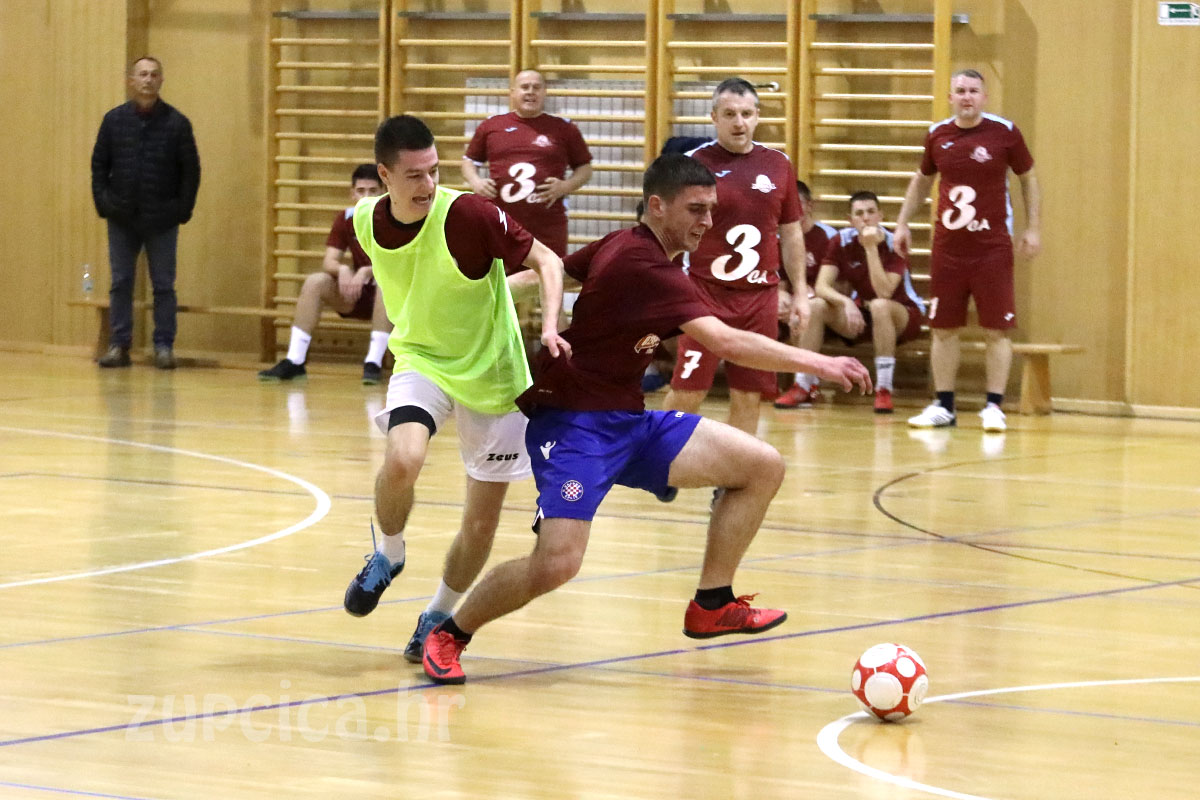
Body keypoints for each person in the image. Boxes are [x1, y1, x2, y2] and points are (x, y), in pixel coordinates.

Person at [419, 154, 871, 685]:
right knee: (558, 562)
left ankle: (712, 602)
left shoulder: (624, 244)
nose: (707, 221)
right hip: (573, 427)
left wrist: (482, 293)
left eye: (712, 209)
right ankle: (450, 633)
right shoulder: (647, 266)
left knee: (761, 466)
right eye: (696, 209)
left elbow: (555, 269)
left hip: (628, 423)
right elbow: (726, 342)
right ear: (657, 206)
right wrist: (823, 363)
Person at [340, 115, 568, 665]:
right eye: (414, 175)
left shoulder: (469, 213)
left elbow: (547, 260)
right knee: (402, 459)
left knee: (480, 522)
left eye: (434, 171)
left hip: (495, 374)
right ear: (384, 176)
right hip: (422, 358)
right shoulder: (366, 221)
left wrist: (549, 326)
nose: (427, 184)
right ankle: (389, 553)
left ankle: (438, 614)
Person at [662, 77, 810, 436]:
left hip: (759, 299)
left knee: (748, 395)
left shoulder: (778, 164)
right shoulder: (694, 164)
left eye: (746, 113)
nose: (738, 122)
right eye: (729, 114)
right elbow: (666, 229)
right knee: (688, 390)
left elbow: (791, 233)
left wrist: (800, 293)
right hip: (704, 295)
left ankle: (734, 468)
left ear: (757, 116)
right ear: (714, 117)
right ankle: (655, 456)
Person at [894, 69, 1041, 432]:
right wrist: (902, 222)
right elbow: (922, 181)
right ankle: (944, 405)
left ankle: (993, 406)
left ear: (984, 96)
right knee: (943, 329)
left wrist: (1033, 228)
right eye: (960, 90)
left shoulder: (1005, 132)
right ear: (950, 97)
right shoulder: (938, 135)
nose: (967, 97)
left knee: (996, 330)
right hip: (948, 250)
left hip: (992, 249)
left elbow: (1028, 179)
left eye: (973, 90)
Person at [90, 56, 200, 370]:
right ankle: (118, 345)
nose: (148, 80)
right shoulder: (113, 121)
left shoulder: (177, 123)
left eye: (153, 74)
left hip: (162, 219)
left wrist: (181, 211)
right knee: (121, 282)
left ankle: (164, 346)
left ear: (161, 80)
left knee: (163, 285)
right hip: (121, 217)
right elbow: (99, 166)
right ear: (131, 81)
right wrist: (104, 204)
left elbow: (191, 172)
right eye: (142, 74)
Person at [258, 164, 393, 384]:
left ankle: (373, 362)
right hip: (357, 293)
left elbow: (400, 265)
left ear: (383, 192)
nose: (366, 197)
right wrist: (343, 269)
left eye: (372, 191)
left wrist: (366, 272)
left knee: (386, 284)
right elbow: (329, 260)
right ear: (352, 194)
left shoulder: (396, 219)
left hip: (394, 301)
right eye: (361, 191)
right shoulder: (346, 219)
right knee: (316, 282)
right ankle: (295, 360)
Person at [805, 191, 927, 414]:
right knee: (815, 305)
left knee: (880, 306)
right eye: (859, 214)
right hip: (865, 311)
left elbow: (884, 292)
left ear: (880, 216)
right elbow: (822, 286)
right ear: (850, 220)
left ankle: (883, 389)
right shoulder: (841, 240)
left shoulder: (894, 242)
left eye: (871, 212)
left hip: (903, 313)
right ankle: (804, 385)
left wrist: (870, 248)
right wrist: (846, 302)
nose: (866, 218)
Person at [462, 69, 593, 259]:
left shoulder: (564, 128)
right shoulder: (492, 126)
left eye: (536, 87)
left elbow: (585, 168)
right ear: (513, 92)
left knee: (547, 274)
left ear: (544, 92)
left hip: (548, 228)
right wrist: (476, 182)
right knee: (500, 275)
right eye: (525, 87)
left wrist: (565, 186)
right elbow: (468, 162)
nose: (531, 92)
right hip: (501, 224)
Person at [774, 180, 839, 408]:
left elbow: (843, 287)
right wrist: (781, 296)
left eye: (797, 203)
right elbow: (781, 282)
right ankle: (765, 381)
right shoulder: (780, 239)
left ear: (810, 205)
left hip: (831, 306)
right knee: (769, 307)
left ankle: (803, 384)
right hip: (797, 304)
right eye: (787, 205)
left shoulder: (830, 236)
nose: (792, 210)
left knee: (810, 309)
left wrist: (811, 295)